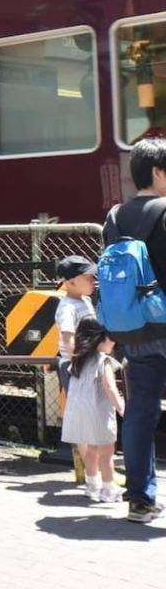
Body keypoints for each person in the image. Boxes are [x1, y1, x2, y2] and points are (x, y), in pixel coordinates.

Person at [101, 137, 166, 523]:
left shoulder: (115, 217)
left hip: (136, 328)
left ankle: (139, 499)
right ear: (158, 172)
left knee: (140, 411)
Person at [61, 317, 125, 503]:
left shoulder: (78, 360)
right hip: (99, 413)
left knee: (91, 451)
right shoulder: (103, 361)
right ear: (100, 339)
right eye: (111, 337)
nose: (114, 342)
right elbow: (110, 387)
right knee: (107, 453)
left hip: (79, 413)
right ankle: (108, 488)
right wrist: (122, 408)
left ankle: (92, 485)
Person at [54, 255, 97, 393]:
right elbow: (69, 339)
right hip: (76, 365)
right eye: (88, 277)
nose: (93, 281)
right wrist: (78, 364)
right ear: (71, 283)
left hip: (88, 361)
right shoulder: (68, 308)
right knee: (82, 405)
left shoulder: (86, 300)